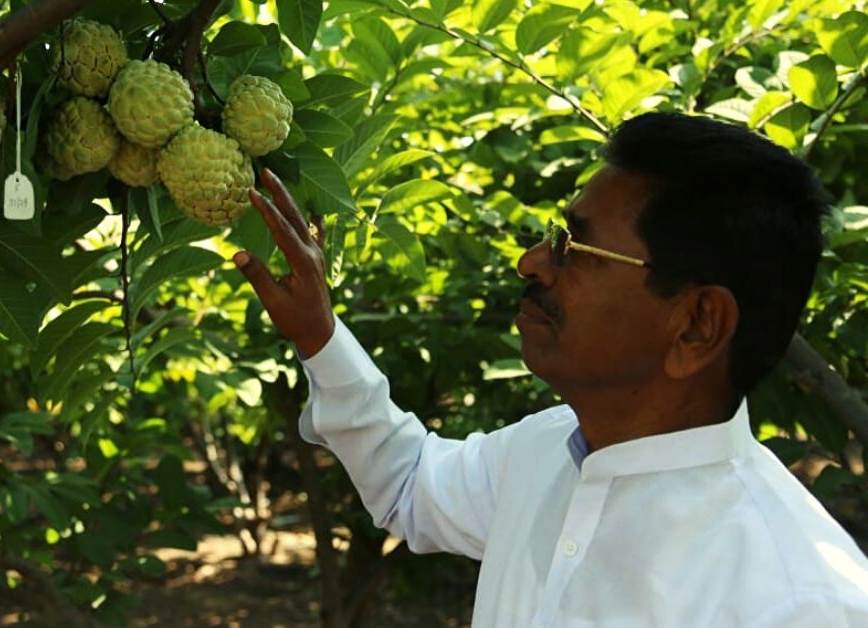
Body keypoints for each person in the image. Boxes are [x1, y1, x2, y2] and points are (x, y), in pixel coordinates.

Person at [232, 112, 868, 626]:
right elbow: (411, 487)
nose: (531, 262)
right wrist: (320, 335)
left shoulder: (801, 601)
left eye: (574, 246)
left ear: (698, 325)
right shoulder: (545, 450)